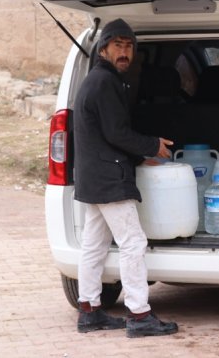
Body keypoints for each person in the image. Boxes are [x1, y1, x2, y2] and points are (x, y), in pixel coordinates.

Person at [73, 18, 179, 338]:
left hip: (94, 176)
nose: (124, 51)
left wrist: (140, 153)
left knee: (94, 244)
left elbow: (108, 134)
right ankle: (138, 313)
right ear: (103, 49)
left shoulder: (97, 79)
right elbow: (117, 132)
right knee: (133, 242)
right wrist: (152, 146)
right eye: (118, 45)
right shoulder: (105, 83)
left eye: (129, 46)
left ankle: (89, 310)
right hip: (109, 178)